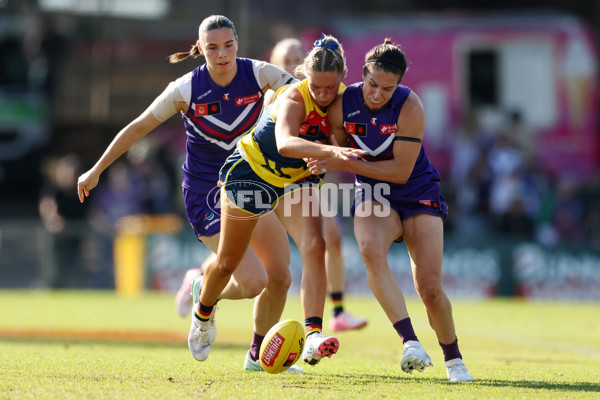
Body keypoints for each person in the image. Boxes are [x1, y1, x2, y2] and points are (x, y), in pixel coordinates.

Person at [77, 15, 303, 373]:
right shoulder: (185, 89)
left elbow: (305, 96)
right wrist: (96, 170)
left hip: (250, 185)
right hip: (207, 194)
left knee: (280, 278)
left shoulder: (260, 73)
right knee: (254, 281)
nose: (222, 54)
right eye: (213, 47)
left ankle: (255, 355)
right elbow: (138, 127)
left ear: (237, 44)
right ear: (200, 49)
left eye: (228, 45)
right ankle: (203, 312)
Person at [189, 33, 367, 366]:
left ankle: (302, 338)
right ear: (305, 76)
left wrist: (332, 156)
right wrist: (333, 151)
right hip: (250, 174)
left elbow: (344, 139)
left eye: (331, 88)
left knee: (311, 249)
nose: (325, 95)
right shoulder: (293, 97)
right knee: (229, 262)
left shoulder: (345, 99)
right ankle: (202, 308)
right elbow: (286, 143)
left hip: (295, 179)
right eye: (318, 87)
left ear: (342, 78)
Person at [305, 39, 474, 382]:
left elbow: (400, 171)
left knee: (428, 287)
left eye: (387, 88)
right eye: (372, 85)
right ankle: (410, 342)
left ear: (399, 85)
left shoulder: (411, 106)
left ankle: (454, 360)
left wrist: (341, 162)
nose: (378, 94)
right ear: (362, 74)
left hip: (416, 190)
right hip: (374, 191)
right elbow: (335, 149)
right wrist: (326, 159)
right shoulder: (341, 104)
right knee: (369, 249)